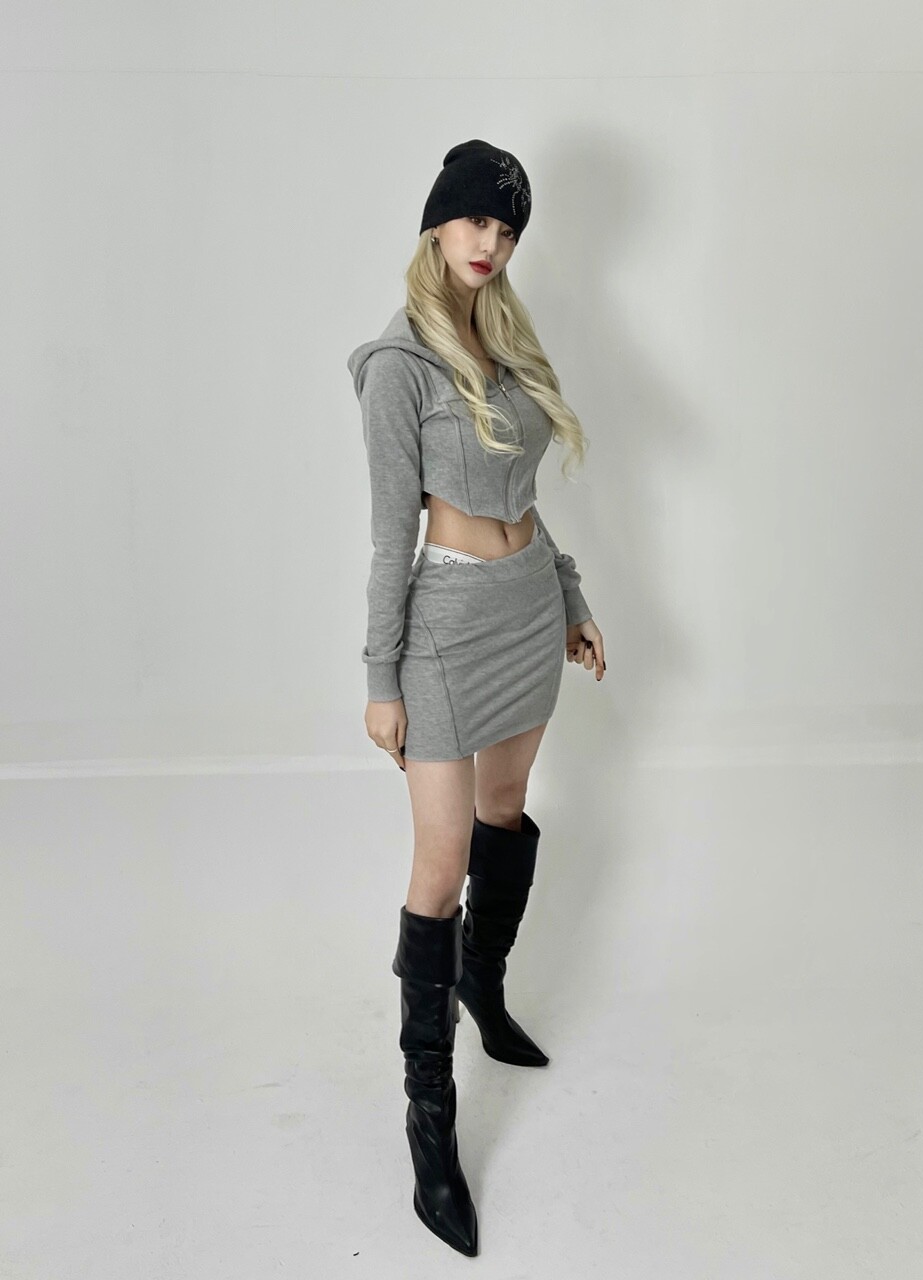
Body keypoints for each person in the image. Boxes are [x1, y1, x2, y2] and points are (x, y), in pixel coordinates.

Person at [347, 139, 606, 1258]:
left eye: (507, 228)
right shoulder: (396, 365)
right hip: (447, 629)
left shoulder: (505, 341)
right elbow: (388, 536)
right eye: (475, 221)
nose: (491, 242)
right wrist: (380, 678)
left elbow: (526, 502)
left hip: (527, 612)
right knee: (439, 862)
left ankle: (484, 993)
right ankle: (431, 1120)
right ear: (437, 224)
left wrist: (571, 598)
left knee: (505, 814)